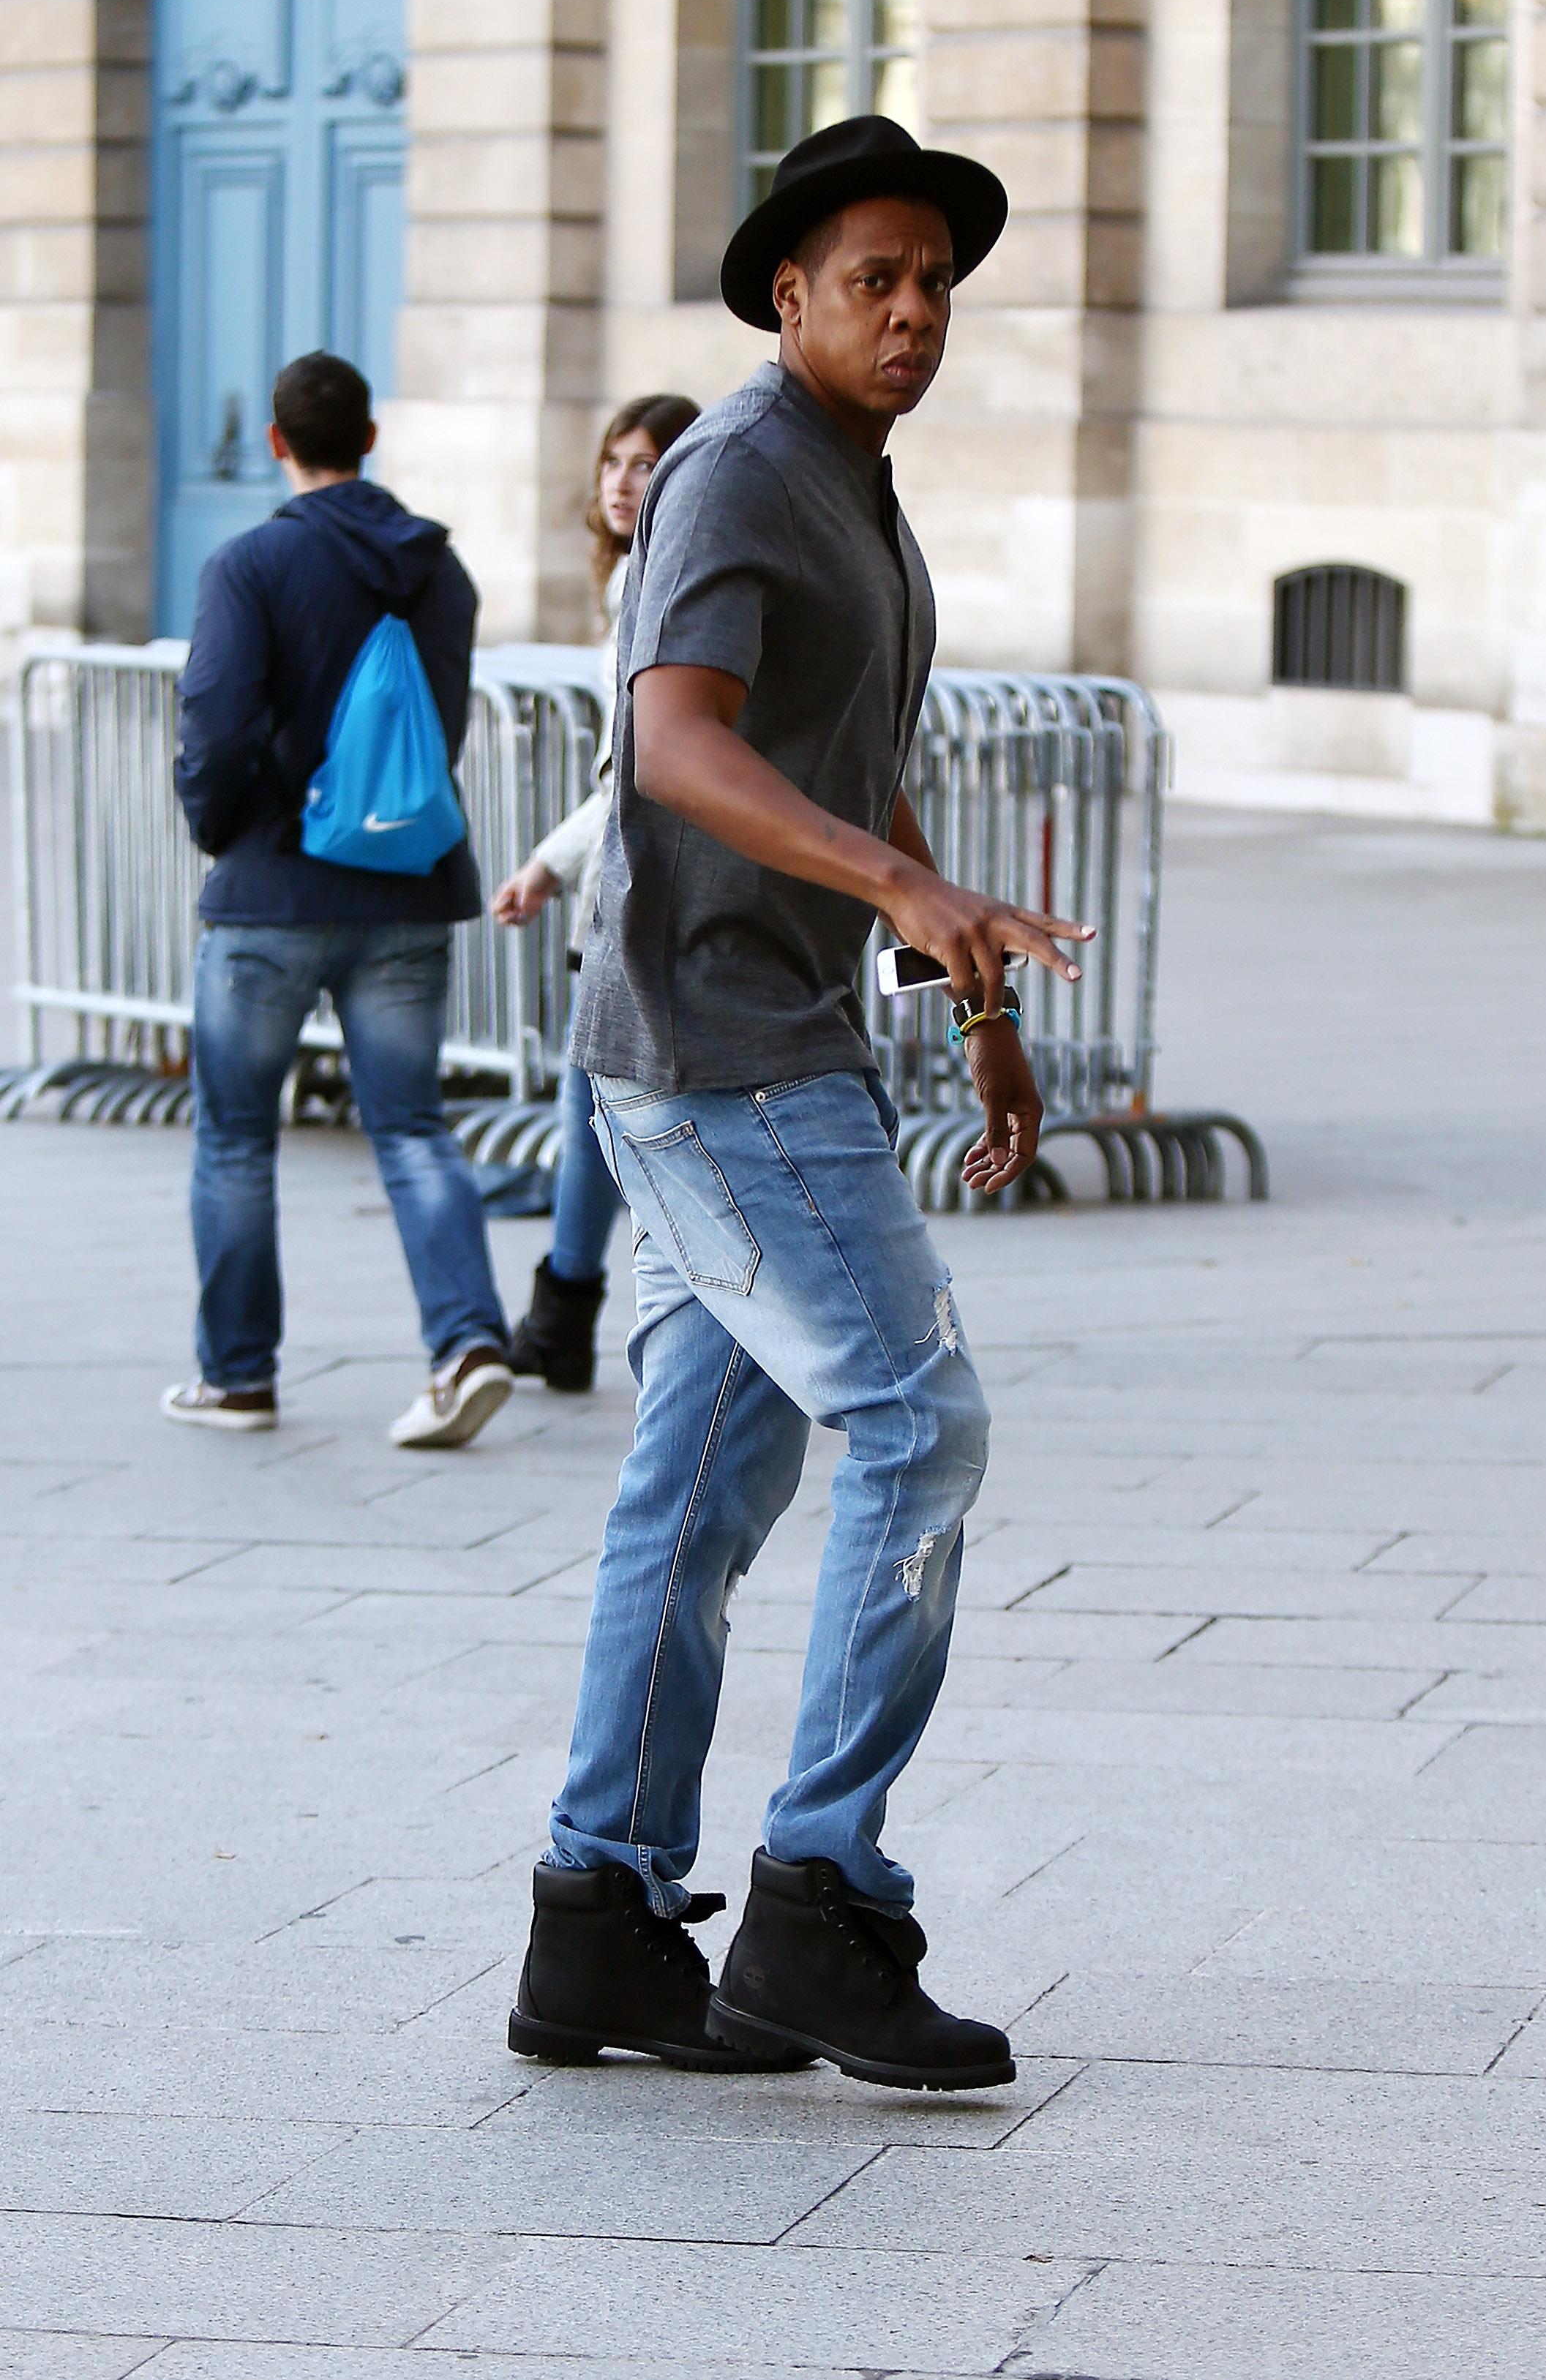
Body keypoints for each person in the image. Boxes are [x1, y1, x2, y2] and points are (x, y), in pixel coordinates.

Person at [508, 117, 1094, 2090]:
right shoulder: (741, 469)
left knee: (697, 1478)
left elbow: (844, 761)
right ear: (787, 293)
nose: (916, 310)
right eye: (876, 277)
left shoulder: (848, 478)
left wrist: (960, 977)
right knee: (918, 1425)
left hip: (721, 1039)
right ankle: (817, 1908)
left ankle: (597, 1927)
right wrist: (899, 894)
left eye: (936, 280)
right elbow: (674, 746)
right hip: (727, 1053)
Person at [167, 351, 514, 1452]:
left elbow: (216, 726)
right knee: (413, 1124)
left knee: (234, 1135)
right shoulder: (439, 570)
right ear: (371, 440)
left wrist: (224, 831)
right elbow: (435, 729)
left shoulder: (249, 563)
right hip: (406, 886)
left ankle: (238, 1376)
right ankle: (467, 1343)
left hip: (271, 888)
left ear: (276, 442)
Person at [491, 394, 701, 1392]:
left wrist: (548, 858)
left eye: (647, 461)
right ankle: (565, 1313)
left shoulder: (659, 581)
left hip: (641, 888)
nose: (623, 480)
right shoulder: (633, 576)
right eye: (614, 461)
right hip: (626, 884)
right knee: (589, 1106)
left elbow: (641, 766)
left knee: (617, 1111)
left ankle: (580, 1315)